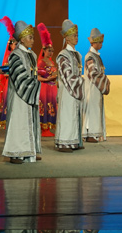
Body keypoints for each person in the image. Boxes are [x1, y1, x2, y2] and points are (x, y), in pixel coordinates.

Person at [2, 21, 42, 164]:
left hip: (29, 91)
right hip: (20, 94)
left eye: (33, 37)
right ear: (22, 39)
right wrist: (35, 86)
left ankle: (30, 151)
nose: (33, 40)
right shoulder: (15, 55)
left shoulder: (33, 55)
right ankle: (16, 153)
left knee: (30, 121)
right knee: (18, 122)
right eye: (30, 37)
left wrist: (34, 85)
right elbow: (19, 77)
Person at [55, 19, 85, 151]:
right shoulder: (63, 55)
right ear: (67, 38)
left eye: (77, 35)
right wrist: (80, 83)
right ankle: (64, 142)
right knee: (67, 115)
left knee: (74, 114)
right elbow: (66, 74)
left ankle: (74, 141)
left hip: (75, 87)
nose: (76, 38)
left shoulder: (77, 54)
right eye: (74, 35)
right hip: (68, 89)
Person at [83, 28, 110, 142]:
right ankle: (90, 133)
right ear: (93, 43)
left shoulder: (96, 56)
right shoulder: (90, 56)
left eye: (101, 42)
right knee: (92, 109)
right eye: (99, 42)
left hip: (96, 87)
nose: (101, 44)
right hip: (92, 87)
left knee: (95, 108)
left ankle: (95, 133)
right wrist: (105, 80)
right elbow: (93, 73)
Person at [36, 23, 58, 138]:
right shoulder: (41, 62)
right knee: (44, 106)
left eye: (52, 50)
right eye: (49, 50)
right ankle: (44, 129)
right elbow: (37, 76)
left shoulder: (52, 62)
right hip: (45, 87)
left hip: (52, 87)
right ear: (44, 51)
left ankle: (49, 127)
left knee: (51, 106)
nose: (51, 53)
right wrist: (48, 78)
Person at [0, 16, 16, 129]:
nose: (16, 45)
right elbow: (4, 72)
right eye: (14, 43)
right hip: (10, 83)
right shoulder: (8, 57)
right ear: (10, 45)